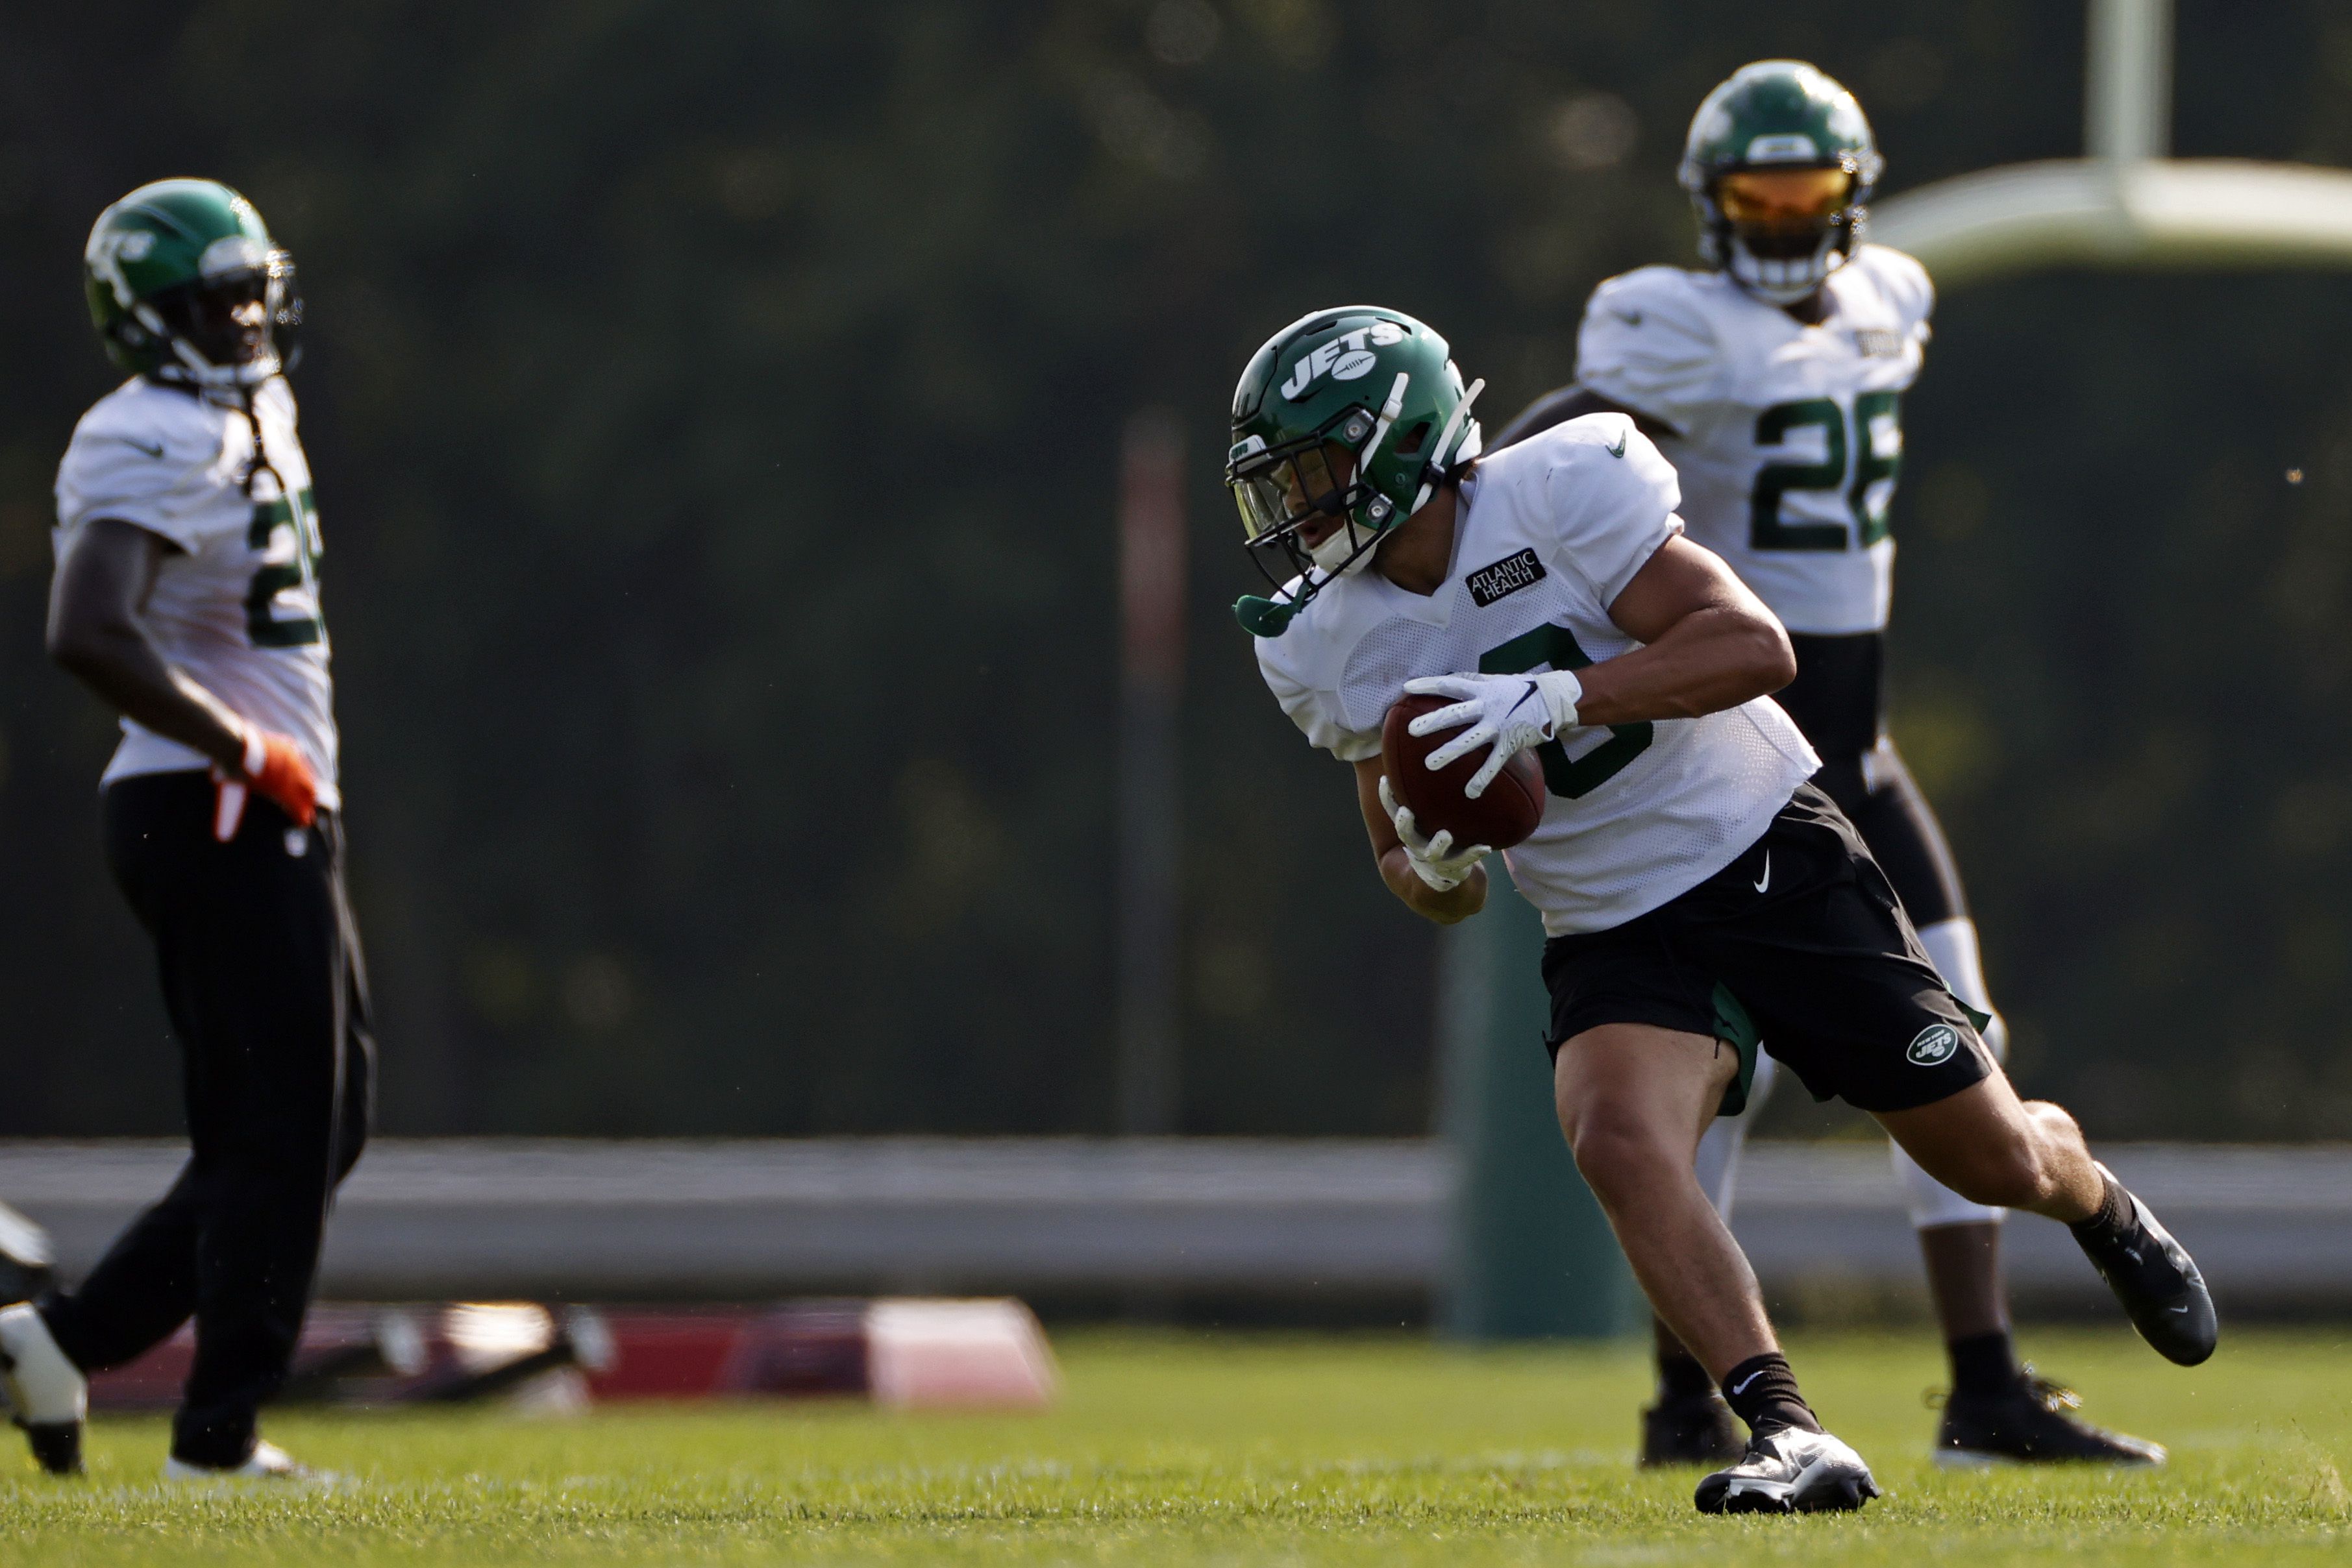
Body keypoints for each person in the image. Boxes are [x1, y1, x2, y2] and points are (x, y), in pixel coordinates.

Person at [1226, 302, 2213, 1513]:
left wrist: (1560, 698)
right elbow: (1404, 848)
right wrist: (1429, 876)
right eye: (1283, 485)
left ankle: (2100, 1202)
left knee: (1992, 1153)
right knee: (1614, 1136)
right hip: (1607, 918)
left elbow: (1754, 646)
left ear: (1402, 444)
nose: (1298, 512)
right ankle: (1789, 1430)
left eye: (1317, 473)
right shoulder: (1328, 638)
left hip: (1761, 850)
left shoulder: (1558, 491)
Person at [1491, 59, 2159, 1468]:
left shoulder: (1891, 301)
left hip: (1867, 742)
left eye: (1809, 195)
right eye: (1759, 196)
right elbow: (1571, 446)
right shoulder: (1671, 331)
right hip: (1741, 749)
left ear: (1852, 201)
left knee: (1966, 1049)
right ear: (1711, 207)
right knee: (1706, 1082)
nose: (1788, 223)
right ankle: (1690, 1401)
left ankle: (1985, 1382)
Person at [0, 178, 369, 1484]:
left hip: (265, 802)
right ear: (151, 320)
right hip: (209, 800)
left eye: (252, 294)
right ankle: (216, 1437)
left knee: (320, 1123)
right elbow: (85, 625)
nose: (246, 322)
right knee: (275, 1131)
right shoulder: (142, 431)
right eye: (218, 304)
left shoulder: (250, 406)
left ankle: (62, 1337)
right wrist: (244, 748)